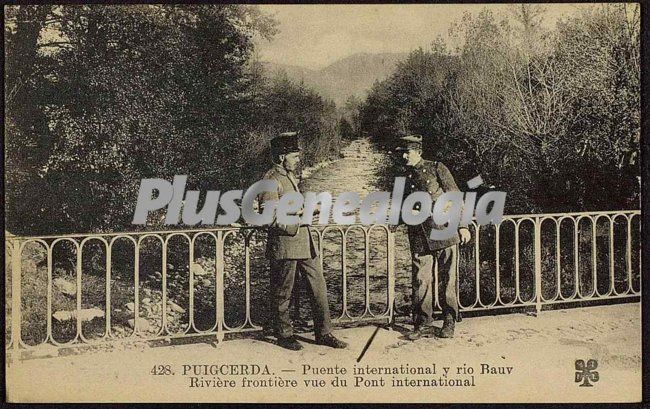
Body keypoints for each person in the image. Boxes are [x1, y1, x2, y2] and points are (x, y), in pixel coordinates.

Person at [259, 131, 348, 351]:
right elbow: (267, 216)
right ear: (282, 157)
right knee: (283, 292)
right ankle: (284, 334)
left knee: (319, 288)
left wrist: (307, 211)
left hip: (305, 243)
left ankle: (324, 333)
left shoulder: (288, 176)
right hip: (285, 243)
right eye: (295, 156)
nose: (298, 160)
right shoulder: (270, 180)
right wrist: (297, 219)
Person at [396, 134, 471, 339]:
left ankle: (449, 320)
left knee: (448, 279)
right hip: (419, 234)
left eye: (407, 152)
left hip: (444, 229)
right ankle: (422, 323)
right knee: (421, 280)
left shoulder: (437, 168)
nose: (403, 156)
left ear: (418, 152)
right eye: (401, 153)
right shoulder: (403, 176)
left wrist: (463, 226)